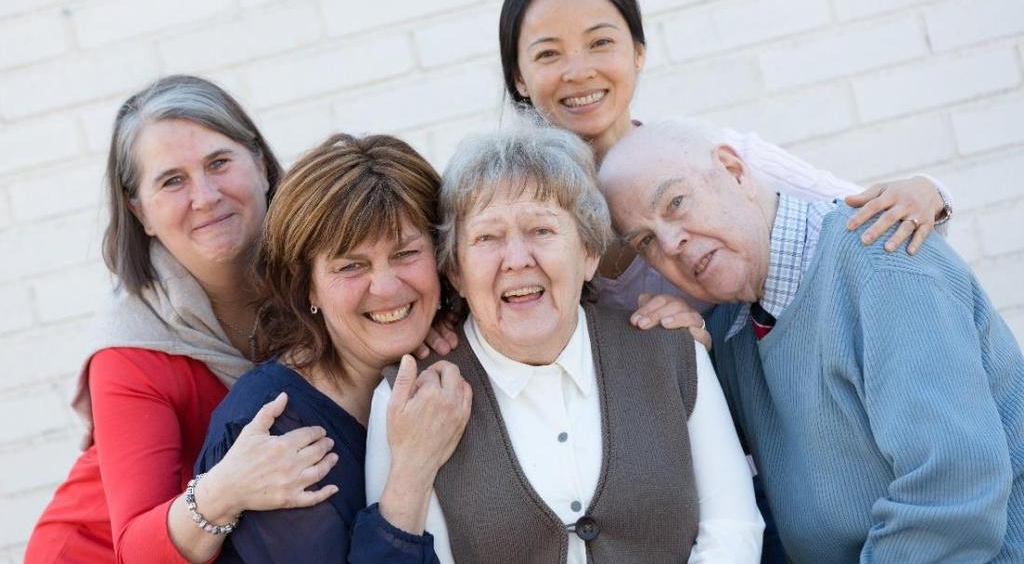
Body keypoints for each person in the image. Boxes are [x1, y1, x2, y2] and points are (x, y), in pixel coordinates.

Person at [598, 119, 1024, 562]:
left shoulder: (882, 261)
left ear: (734, 171)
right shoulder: (733, 329)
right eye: (645, 240)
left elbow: (952, 489)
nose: (671, 243)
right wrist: (685, 363)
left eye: (676, 203)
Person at [367, 125, 765, 563]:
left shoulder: (671, 352)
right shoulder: (406, 398)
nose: (517, 259)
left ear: (589, 253)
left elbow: (732, 529)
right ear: (456, 271)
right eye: (487, 237)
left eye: (541, 230)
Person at [493, 0, 954, 324]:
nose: (579, 71)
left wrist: (927, 191)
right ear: (519, 78)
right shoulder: (516, 205)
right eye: (549, 53)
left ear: (637, 53)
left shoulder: (711, 159)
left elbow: (854, 217)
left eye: (600, 43)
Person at [26, 76, 339, 564]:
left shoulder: (315, 277)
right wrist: (225, 489)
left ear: (260, 163)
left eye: (219, 163)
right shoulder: (131, 349)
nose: (206, 196)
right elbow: (133, 547)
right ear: (140, 211)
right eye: (172, 180)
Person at [196, 133, 470, 562]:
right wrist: (412, 468)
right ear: (307, 286)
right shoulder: (275, 428)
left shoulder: (455, 360)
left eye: (405, 253)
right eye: (351, 266)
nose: (386, 287)